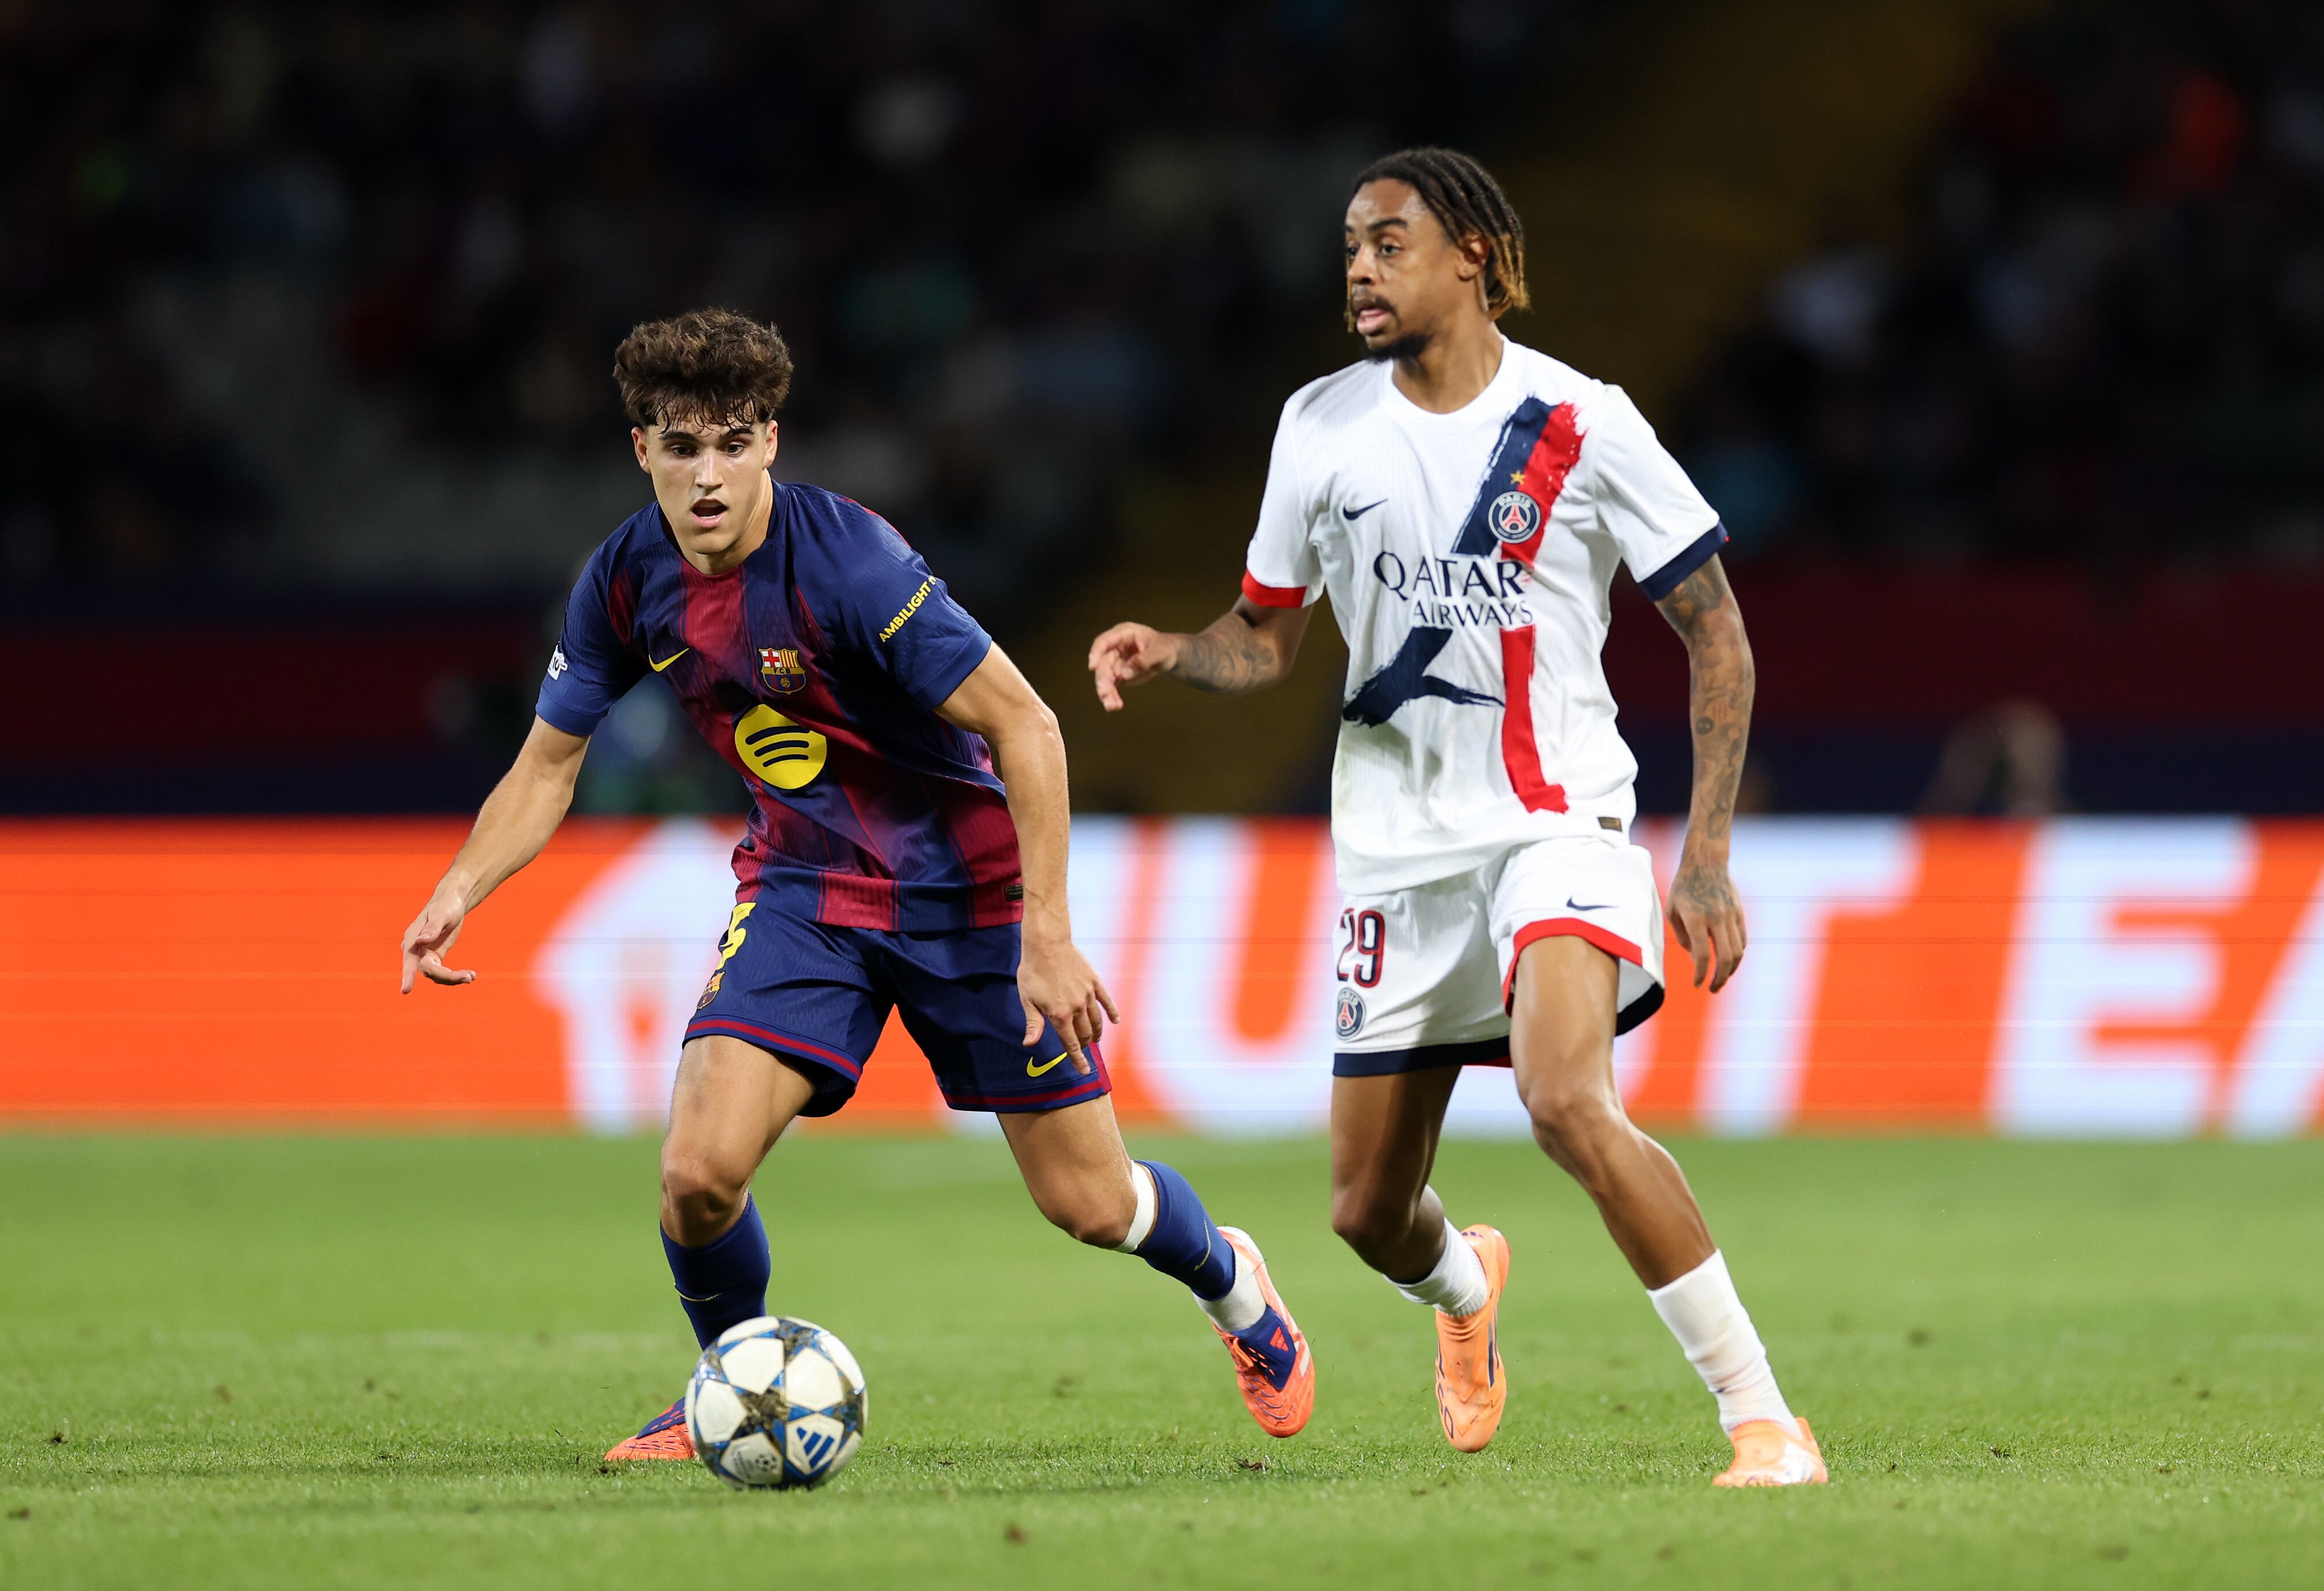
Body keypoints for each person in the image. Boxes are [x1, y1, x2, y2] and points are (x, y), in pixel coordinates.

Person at [399, 307, 1312, 1460]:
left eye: (732, 442)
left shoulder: (849, 563)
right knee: (695, 1175)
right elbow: (545, 765)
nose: (709, 473)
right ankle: (725, 1386)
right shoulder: (626, 579)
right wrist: (458, 887)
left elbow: (1028, 726)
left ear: (770, 441)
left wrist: (1046, 931)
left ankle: (1232, 1281)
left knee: (1091, 1204)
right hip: (804, 895)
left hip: (965, 899)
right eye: (682, 447)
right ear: (643, 452)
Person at [1087, 149, 1822, 1487]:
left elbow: (1715, 629)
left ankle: (1763, 1419)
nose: (1358, 269)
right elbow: (1263, 639)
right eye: (1348, 250)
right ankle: (1466, 1288)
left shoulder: (1580, 421)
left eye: (1387, 242)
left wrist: (1704, 852)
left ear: (1471, 254)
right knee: (1366, 1212)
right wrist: (1170, 648)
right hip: (1391, 854)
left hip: (1554, 823)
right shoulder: (1317, 423)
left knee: (1563, 1099)